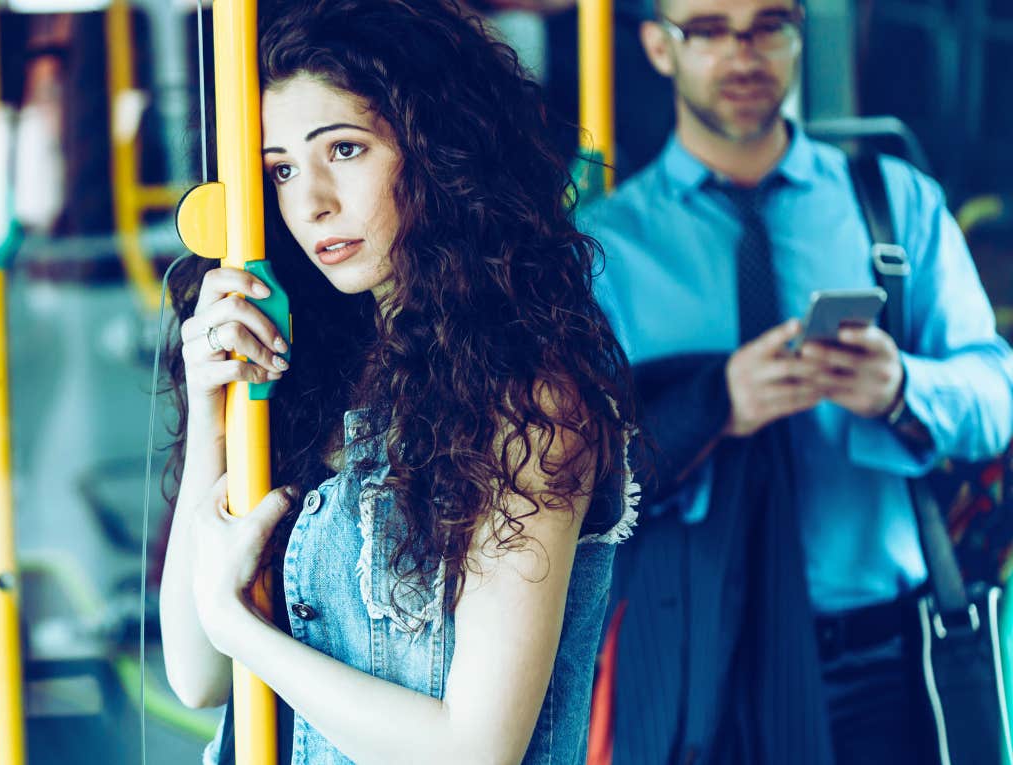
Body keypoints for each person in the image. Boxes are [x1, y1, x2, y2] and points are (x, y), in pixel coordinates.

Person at [159, 1, 638, 763]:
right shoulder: (313, 370)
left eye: (343, 150)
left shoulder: (532, 403)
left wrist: (242, 626)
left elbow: (476, 748)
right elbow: (196, 674)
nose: (310, 201)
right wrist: (215, 415)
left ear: (442, 152)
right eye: (280, 169)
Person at [580, 1, 1013, 763]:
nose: (744, 53)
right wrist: (715, 406)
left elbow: (995, 397)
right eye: (709, 29)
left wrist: (902, 386)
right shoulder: (603, 249)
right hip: (693, 666)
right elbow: (573, 475)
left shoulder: (895, 204)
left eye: (769, 23)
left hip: (880, 665)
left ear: (798, 36)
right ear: (656, 45)